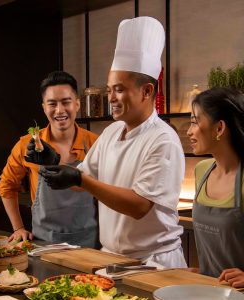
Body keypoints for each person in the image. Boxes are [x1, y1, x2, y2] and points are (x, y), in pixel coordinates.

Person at [27, 17, 187, 268]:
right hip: (112, 259)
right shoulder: (112, 132)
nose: (111, 97)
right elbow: (82, 180)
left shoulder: (163, 139)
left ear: (147, 91)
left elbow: (139, 205)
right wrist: (55, 162)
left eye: (119, 89)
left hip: (153, 262)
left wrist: (80, 179)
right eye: (109, 89)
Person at [0, 71, 99, 247]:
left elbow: (108, 189)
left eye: (66, 102)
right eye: (52, 104)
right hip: (43, 243)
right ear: (44, 107)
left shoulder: (96, 143)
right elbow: (6, 186)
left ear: (77, 104)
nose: (59, 110)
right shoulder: (26, 145)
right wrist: (18, 228)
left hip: (89, 243)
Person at [187, 87, 244, 287]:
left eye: (194, 122)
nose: (189, 131)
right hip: (210, 290)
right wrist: (204, 271)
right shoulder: (202, 171)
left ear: (219, 128)